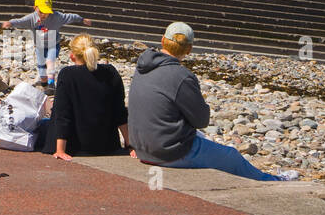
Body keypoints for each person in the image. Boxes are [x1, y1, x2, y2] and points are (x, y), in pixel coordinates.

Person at [128, 23, 298, 181]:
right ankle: (274, 181)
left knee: (204, 140)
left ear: (163, 41)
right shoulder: (181, 76)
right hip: (167, 152)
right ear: (189, 49)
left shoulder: (142, 67)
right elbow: (201, 120)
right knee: (231, 156)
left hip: (142, 148)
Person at [43, 35, 133, 160]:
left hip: (74, 146)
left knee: (42, 124)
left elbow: (62, 113)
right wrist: (130, 145)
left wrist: (60, 150)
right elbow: (120, 111)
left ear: (72, 55)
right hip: (106, 145)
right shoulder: (110, 72)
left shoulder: (68, 74)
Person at [3, 0, 92, 89]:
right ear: (35, 8)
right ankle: (45, 84)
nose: (44, 15)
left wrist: (82, 19)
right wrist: (10, 23)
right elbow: (20, 21)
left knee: (50, 62)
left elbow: (70, 17)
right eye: (41, 12)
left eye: (47, 12)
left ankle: (51, 84)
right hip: (40, 45)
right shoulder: (31, 19)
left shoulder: (57, 17)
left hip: (53, 43)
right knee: (41, 67)